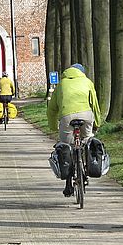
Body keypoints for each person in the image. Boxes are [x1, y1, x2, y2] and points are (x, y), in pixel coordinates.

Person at [46, 63, 102, 197]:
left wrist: (53, 126)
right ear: (82, 73)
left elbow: (52, 109)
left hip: (67, 117)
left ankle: (68, 184)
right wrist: (97, 123)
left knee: (67, 147)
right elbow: (94, 104)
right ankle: (88, 166)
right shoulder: (87, 82)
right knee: (88, 140)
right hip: (86, 116)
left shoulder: (61, 85)